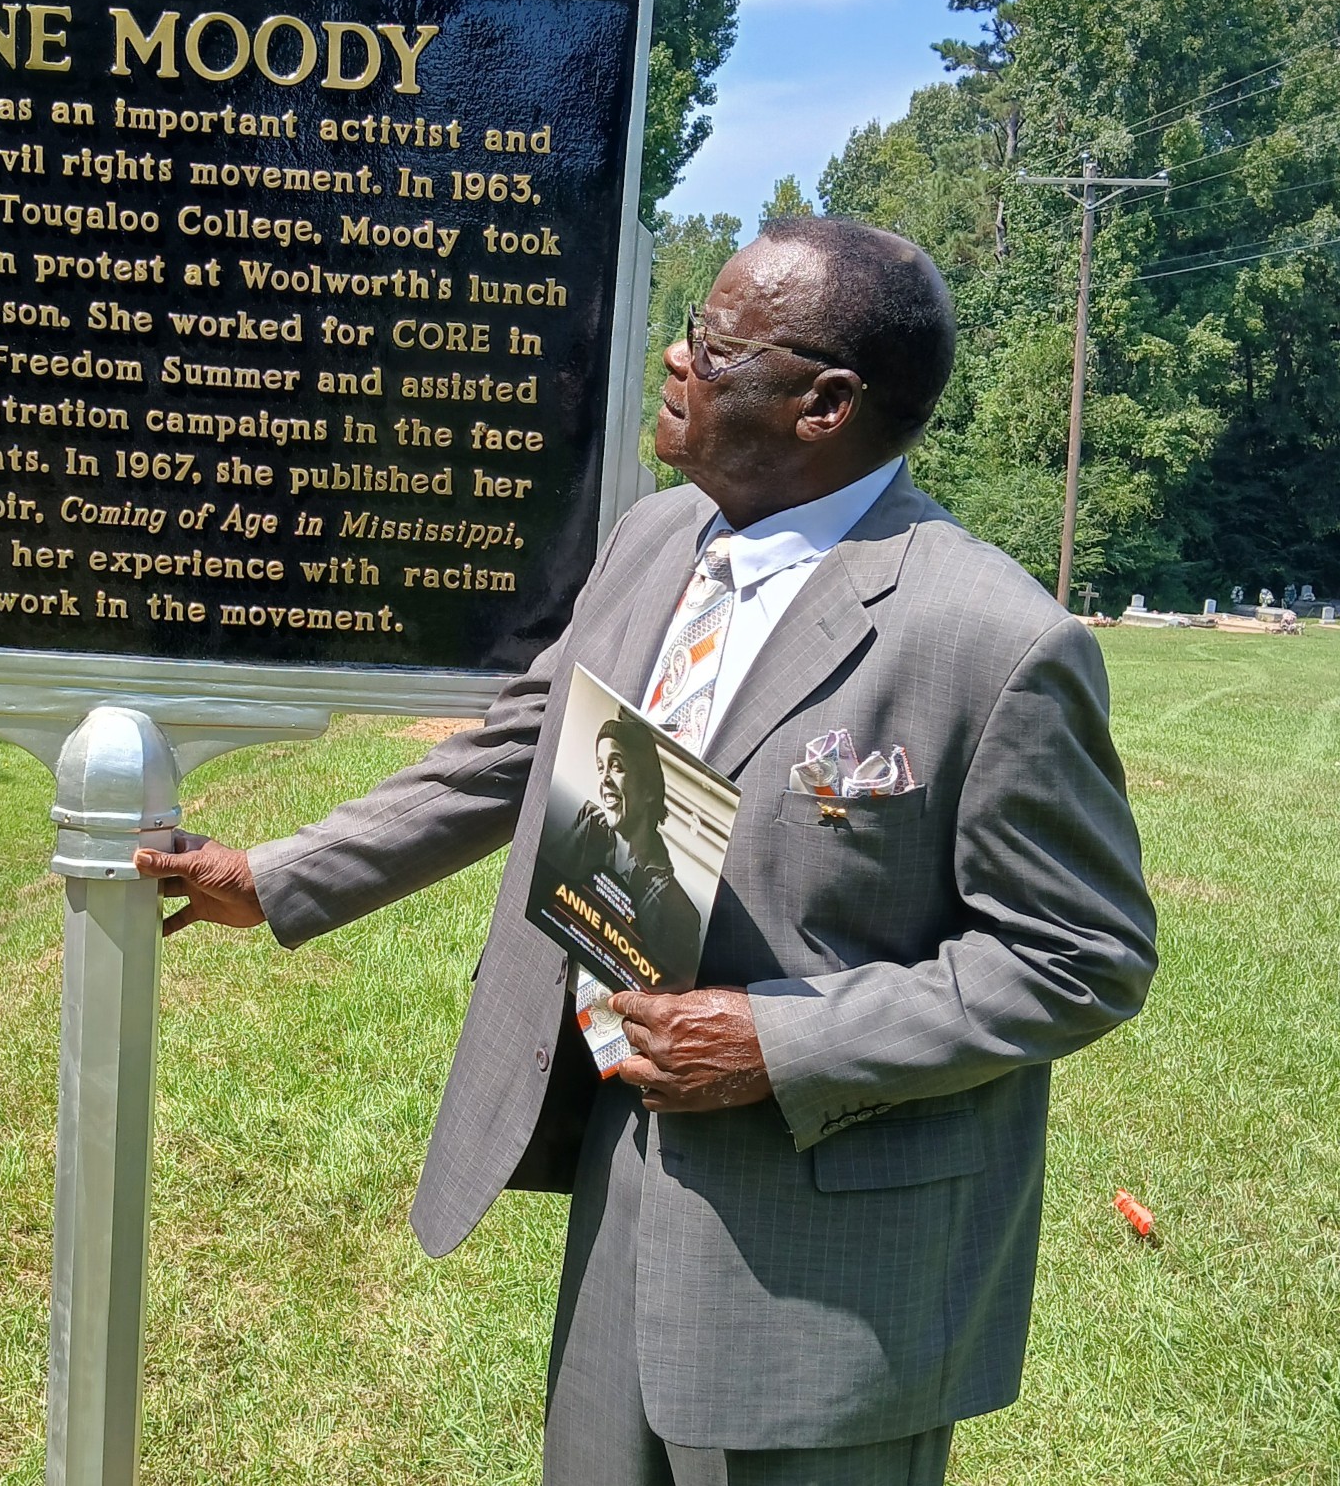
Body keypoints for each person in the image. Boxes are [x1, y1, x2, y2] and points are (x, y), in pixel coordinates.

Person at [139, 217, 1157, 1485]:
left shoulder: (991, 638)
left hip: (831, 1275)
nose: (677, 359)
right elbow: (525, 746)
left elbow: (1080, 954)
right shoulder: (659, 538)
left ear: (826, 405)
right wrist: (284, 875)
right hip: (626, 1166)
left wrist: (778, 1041)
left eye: (715, 345)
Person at [552, 715, 701, 979]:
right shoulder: (589, 825)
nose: (604, 779)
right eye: (600, 767)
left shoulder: (675, 907)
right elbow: (547, 882)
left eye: (616, 766)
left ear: (648, 788)